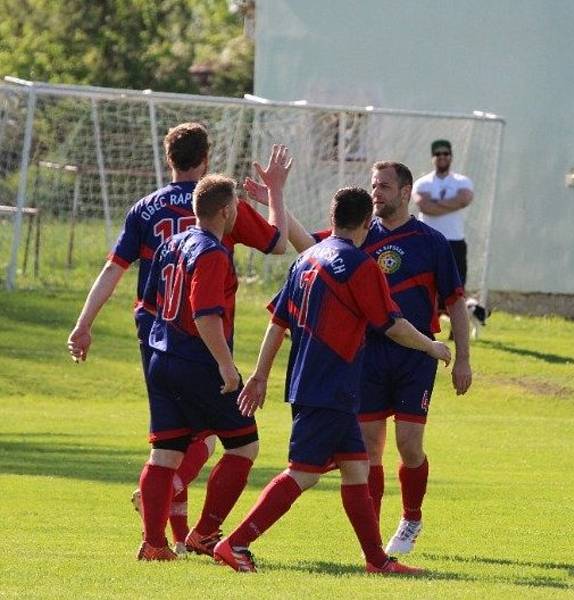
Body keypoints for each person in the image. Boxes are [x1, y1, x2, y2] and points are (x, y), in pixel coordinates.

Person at [66, 122, 290, 553]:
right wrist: (274, 194)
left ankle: (162, 539)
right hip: (200, 343)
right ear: (206, 158)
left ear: (169, 158)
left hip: (156, 336)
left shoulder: (147, 210)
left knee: (171, 441)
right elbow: (279, 246)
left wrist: (84, 322)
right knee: (224, 438)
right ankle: (199, 529)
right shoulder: (223, 207)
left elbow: (117, 270)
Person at [213, 186, 451, 574]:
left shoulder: (306, 259)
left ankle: (376, 561)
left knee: (357, 468)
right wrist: (431, 347)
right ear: (366, 223)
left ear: (334, 216)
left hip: (315, 383)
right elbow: (392, 325)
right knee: (303, 473)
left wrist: (259, 376)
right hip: (330, 386)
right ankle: (234, 543)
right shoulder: (358, 265)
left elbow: (277, 322)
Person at [286, 161, 472, 556]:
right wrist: (275, 198)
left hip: (415, 354)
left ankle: (411, 517)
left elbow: (455, 302)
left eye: (385, 186)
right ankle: (373, 536)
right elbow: (306, 243)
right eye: (374, 185)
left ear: (406, 192)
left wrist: (463, 360)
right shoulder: (355, 236)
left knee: (408, 445)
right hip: (366, 357)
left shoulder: (431, 241)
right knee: (370, 450)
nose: (377, 192)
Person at [135, 173, 281, 561]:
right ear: (226, 209)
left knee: (165, 453)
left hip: (160, 358)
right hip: (198, 363)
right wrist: (227, 366)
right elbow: (204, 315)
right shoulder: (213, 253)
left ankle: (154, 544)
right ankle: (203, 534)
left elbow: (148, 303)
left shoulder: (170, 244)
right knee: (244, 446)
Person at [412, 139, 473, 287]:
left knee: (456, 287)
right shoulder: (422, 182)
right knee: (427, 285)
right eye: (438, 154)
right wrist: (453, 203)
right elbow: (425, 207)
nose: (442, 157)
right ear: (433, 157)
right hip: (428, 240)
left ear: (451, 156)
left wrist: (435, 201)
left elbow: (464, 200)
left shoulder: (462, 181)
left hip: (454, 239)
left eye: (446, 153)